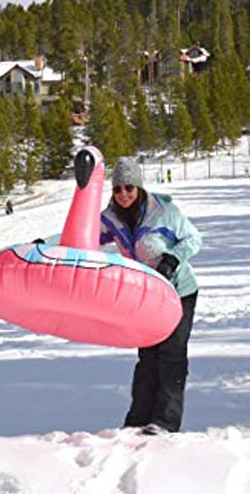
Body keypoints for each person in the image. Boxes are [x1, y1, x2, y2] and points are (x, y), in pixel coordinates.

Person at [100, 156, 202, 436]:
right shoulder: (110, 219)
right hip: (146, 297)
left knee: (171, 354)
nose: (123, 194)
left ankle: (166, 421)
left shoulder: (163, 211)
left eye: (129, 188)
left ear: (139, 187)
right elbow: (80, 235)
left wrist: (172, 258)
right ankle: (139, 418)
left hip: (179, 291)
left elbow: (194, 238)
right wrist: (44, 244)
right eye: (118, 188)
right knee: (147, 357)